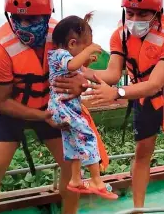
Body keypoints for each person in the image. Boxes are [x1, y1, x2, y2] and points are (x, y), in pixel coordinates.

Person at [81, 0, 164, 214]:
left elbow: (154, 83)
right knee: (142, 152)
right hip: (144, 100)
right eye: (130, 13)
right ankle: (138, 210)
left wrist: (117, 93)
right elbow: (113, 73)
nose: (135, 19)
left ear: (157, 14)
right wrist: (82, 73)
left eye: (143, 13)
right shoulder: (120, 36)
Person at [0, 0, 85, 214]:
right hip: (12, 109)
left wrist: (79, 84)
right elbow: (1, 102)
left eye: (32, 18)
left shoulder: (62, 36)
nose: (24, 23)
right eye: (18, 17)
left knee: (72, 164)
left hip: (53, 105)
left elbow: (80, 68)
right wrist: (42, 116)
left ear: (46, 15)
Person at [48, 13, 117, 200]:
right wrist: (87, 52)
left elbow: (76, 67)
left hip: (64, 109)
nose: (88, 51)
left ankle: (76, 179)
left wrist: (86, 60)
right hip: (64, 108)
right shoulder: (60, 54)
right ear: (72, 44)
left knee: (72, 143)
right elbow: (71, 66)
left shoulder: (63, 57)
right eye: (85, 47)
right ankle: (96, 180)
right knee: (87, 137)